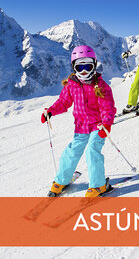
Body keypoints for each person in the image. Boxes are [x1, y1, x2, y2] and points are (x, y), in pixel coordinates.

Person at [41, 45, 117, 197]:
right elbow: (63, 103)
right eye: (79, 67)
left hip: (98, 126)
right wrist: (50, 111)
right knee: (71, 152)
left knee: (92, 151)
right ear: (73, 67)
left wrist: (107, 124)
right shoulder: (72, 85)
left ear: (94, 65)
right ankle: (62, 180)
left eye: (87, 66)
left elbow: (108, 107)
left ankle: (98, 185)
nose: (84, 71)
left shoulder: (101, 86)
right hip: (81, 126)